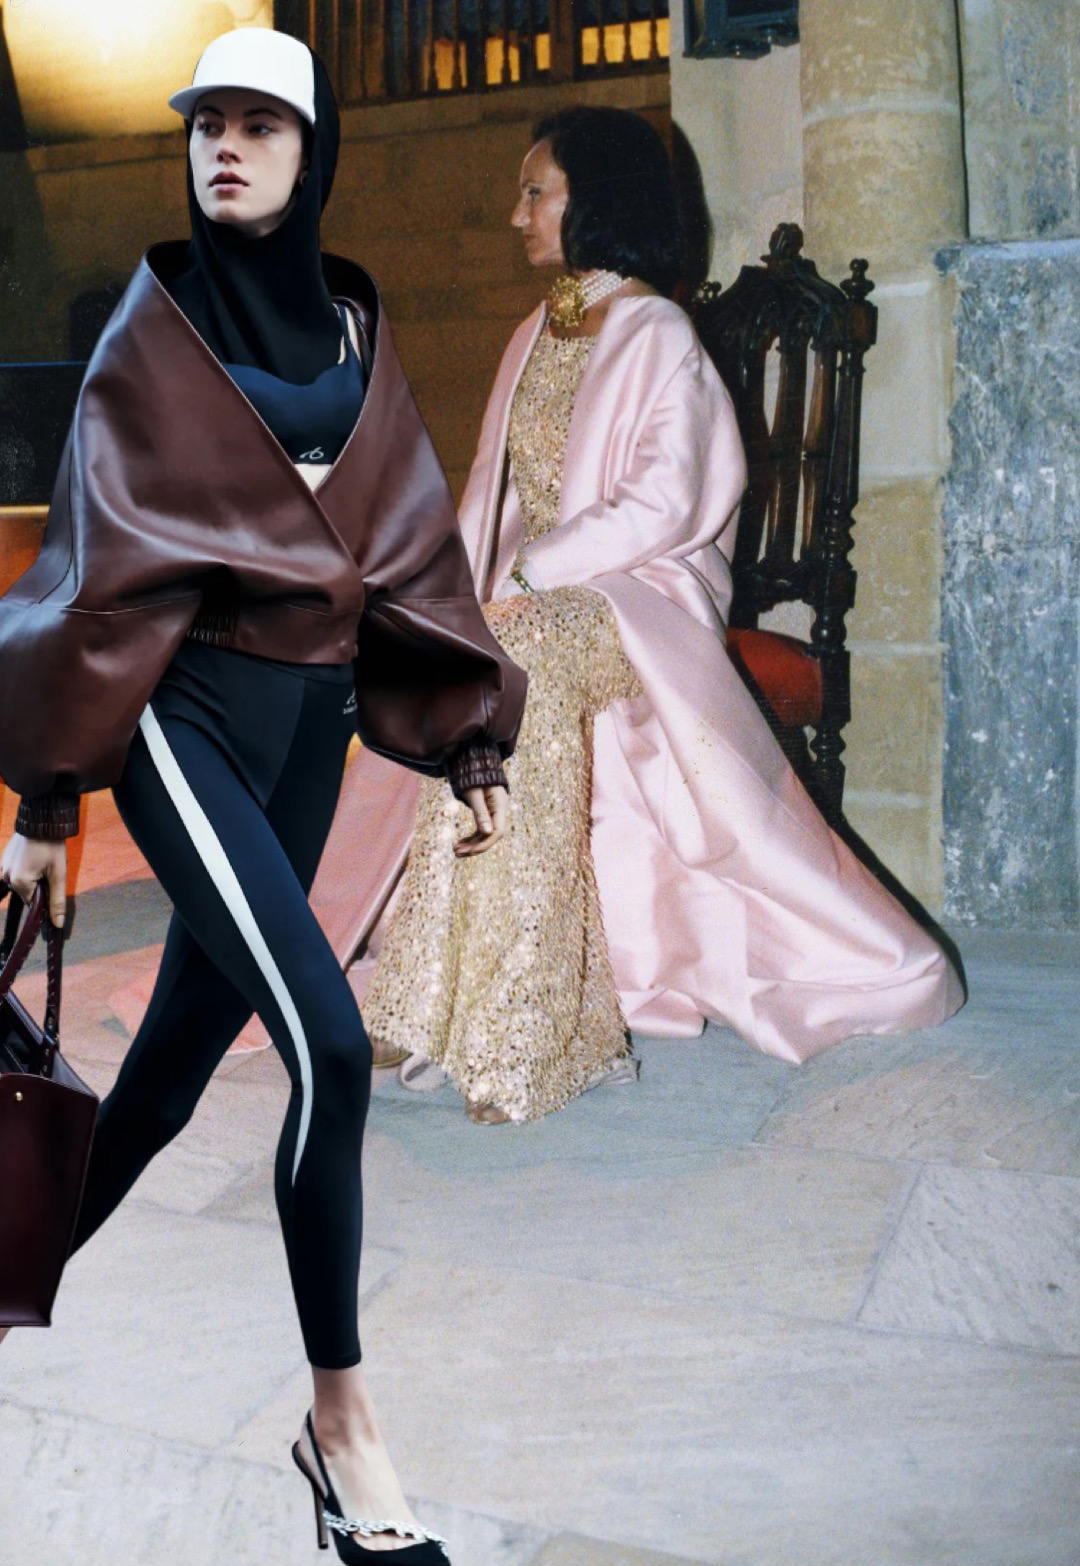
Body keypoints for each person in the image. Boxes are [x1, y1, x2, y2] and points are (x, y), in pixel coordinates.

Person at [0, 30, 525, 1566]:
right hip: (183, 716)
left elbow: (411, 540)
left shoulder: (358, 327)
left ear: (315, 152)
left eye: (262, 125)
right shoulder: (153, 330)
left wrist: (470, 740)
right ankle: (343, 1424)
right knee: (330, 1044)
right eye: (208, 127)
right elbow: (95, 563)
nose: (227, 148)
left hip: (310, 730)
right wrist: (50, 798)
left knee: (163, 1087)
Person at [323, 105, 963, 1123]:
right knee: (462, 655)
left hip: (640, 592)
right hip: (532, 598)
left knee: (514, 651)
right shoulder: (530, 332)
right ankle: (421, 986)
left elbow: (668, 501)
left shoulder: (658, 329)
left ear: (597, 201)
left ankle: (540, 1021)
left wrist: (532, 574)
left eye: (535, 192)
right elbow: (489, 494)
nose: (515, 214)